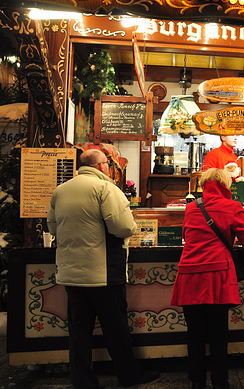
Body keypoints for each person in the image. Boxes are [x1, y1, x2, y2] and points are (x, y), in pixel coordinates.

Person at [47, 149, 159, 388]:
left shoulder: (60, 190)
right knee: (115, 328)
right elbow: (123, 227)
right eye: (108, 164)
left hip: (71, 274)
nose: (109, 168)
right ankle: (129, 375)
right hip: (102, 273)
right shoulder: (106, 189)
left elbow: (53, 228)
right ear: (100, 166)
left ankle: (82, 380)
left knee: (78, 333)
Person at [171, 168, 244, 389]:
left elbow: (186, 235)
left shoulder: (192, 207)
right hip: (217, 276)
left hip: (189, 274)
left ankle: (197, 382)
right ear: (226, 184)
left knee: (195, 334)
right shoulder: (232, 206)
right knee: (218, 335)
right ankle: (220, 382)